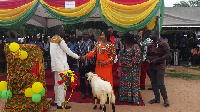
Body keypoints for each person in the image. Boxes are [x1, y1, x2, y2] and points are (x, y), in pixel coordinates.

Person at [50, 25, 81, 109]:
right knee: (62, 85)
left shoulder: (52, 39)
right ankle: (61, 103)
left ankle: (57, 101)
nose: (64, 32)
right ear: (59, 30)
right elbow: (68, 51)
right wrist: (78, 57)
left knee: (57, 84)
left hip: (55, 65)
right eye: (62, 30)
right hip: (61, 65)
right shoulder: (60, 40)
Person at [118, 33, 144, 105]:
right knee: (125, 82)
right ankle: (124, 97)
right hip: (124, 68)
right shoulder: (124, 46)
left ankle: (133, 98)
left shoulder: (135, 46)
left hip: (133, 68)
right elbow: (120, 55)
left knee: (133, 82)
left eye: (125, 39)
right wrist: (120, 62)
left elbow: (138, 58)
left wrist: (130, 64)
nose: (124, 41)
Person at [147, 30, 170, 107]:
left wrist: (156, 60)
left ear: (156, 34)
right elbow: (147, 54)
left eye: (151, 34)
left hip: (160, 67)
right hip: (152, 67)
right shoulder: (150, 45)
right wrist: (148, 59)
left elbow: (168, 55)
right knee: (154, 83)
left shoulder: (164, 44)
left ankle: (165, 99)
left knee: (160, 83)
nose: (150, 35)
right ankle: (157, 98)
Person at [74, 30, 96, 99]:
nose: (85, 36)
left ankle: (91, 93)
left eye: (86, 34)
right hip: (82, 64)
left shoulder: (93, 43)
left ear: (88, 35)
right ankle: (83, 92)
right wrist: (80, 58)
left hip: (91, 64)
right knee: (82, 79)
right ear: (82, 35)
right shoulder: (78, 43)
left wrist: (92, 59)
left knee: (91, 79)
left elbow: (95, 53)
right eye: (83, 34)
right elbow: (75, 52)